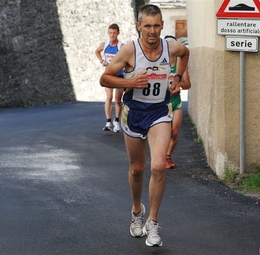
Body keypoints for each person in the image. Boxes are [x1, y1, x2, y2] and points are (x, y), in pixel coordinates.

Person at [100, 4, 189, 247]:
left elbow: (185, 53)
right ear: (139, 26)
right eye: (147, 26)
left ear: (162, 26)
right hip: (134, 113)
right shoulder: (130, 50)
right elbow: (104, 78)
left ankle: (153, 222)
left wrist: (178, 79)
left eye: (156, 26)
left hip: (160, 112)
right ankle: (137, 212)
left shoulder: (170, 47)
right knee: (137, 169)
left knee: (159, 166)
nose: (152, 31)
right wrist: (129, 80)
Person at [164, 35, 192, 169]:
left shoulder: (181, 66)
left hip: (176, 101)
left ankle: (168, 157)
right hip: (162, 103)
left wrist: (178, 85)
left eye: (173, 44)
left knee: (174, 131)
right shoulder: (161, 64)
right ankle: (161, 155)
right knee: (164, 132)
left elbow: (188, 84)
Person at [95, 23, 124, 132]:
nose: (112, 35)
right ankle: (108, 122)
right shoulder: (105, 44)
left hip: (120, 75)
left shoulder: (121, 46)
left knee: (117, 99)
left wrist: (121, 65)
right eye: (110, 33)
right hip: (108, 74)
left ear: (118, 33)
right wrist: (102, 61)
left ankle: (116, 121)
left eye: (114, 33)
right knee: (108, 97)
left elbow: (126, 57)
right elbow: (97, 51)